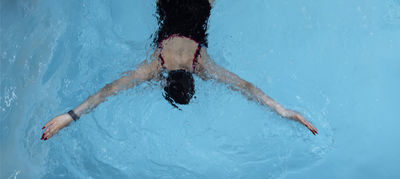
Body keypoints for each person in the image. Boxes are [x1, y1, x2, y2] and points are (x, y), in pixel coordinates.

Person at [41, 0, 317, 141]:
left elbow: (247, 88)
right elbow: (110, 89)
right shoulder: (155, 65)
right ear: (165, 82)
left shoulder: (202, 64)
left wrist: (286, 111)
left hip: (200, 6)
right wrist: (70, 116)